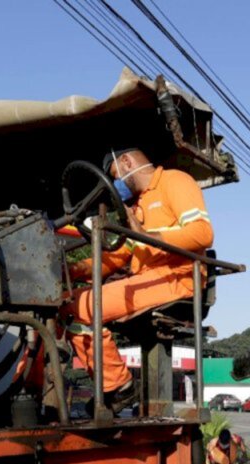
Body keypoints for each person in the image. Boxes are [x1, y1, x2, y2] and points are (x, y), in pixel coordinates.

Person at [62, 148, 214, 413]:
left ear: (126, 162)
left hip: (177, 278)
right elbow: (116, 257)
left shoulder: (175, 181)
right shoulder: (139, 205)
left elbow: (202, 233)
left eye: (114, 177)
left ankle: (120, 388)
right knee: (63, 302)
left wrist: (147, 235)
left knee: (79, 308)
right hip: (148, 280)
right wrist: (69, 268)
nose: (116, 185)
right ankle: (110, 387)